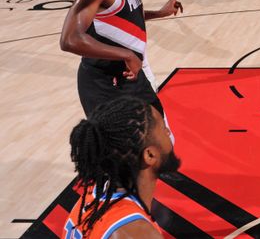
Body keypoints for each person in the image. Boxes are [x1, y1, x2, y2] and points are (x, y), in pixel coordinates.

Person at [59, 0, 184, 120]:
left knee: (162, 135)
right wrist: (126, 54)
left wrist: (161, 13)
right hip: (105, 80)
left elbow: (127, 16)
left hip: (131, 74)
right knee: (125, 147)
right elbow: (69, 39)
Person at [64, 96, 179, 238]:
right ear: (149, 155)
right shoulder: (138, 233)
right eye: (163, 128)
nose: (168, 132)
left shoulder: (93, 195)